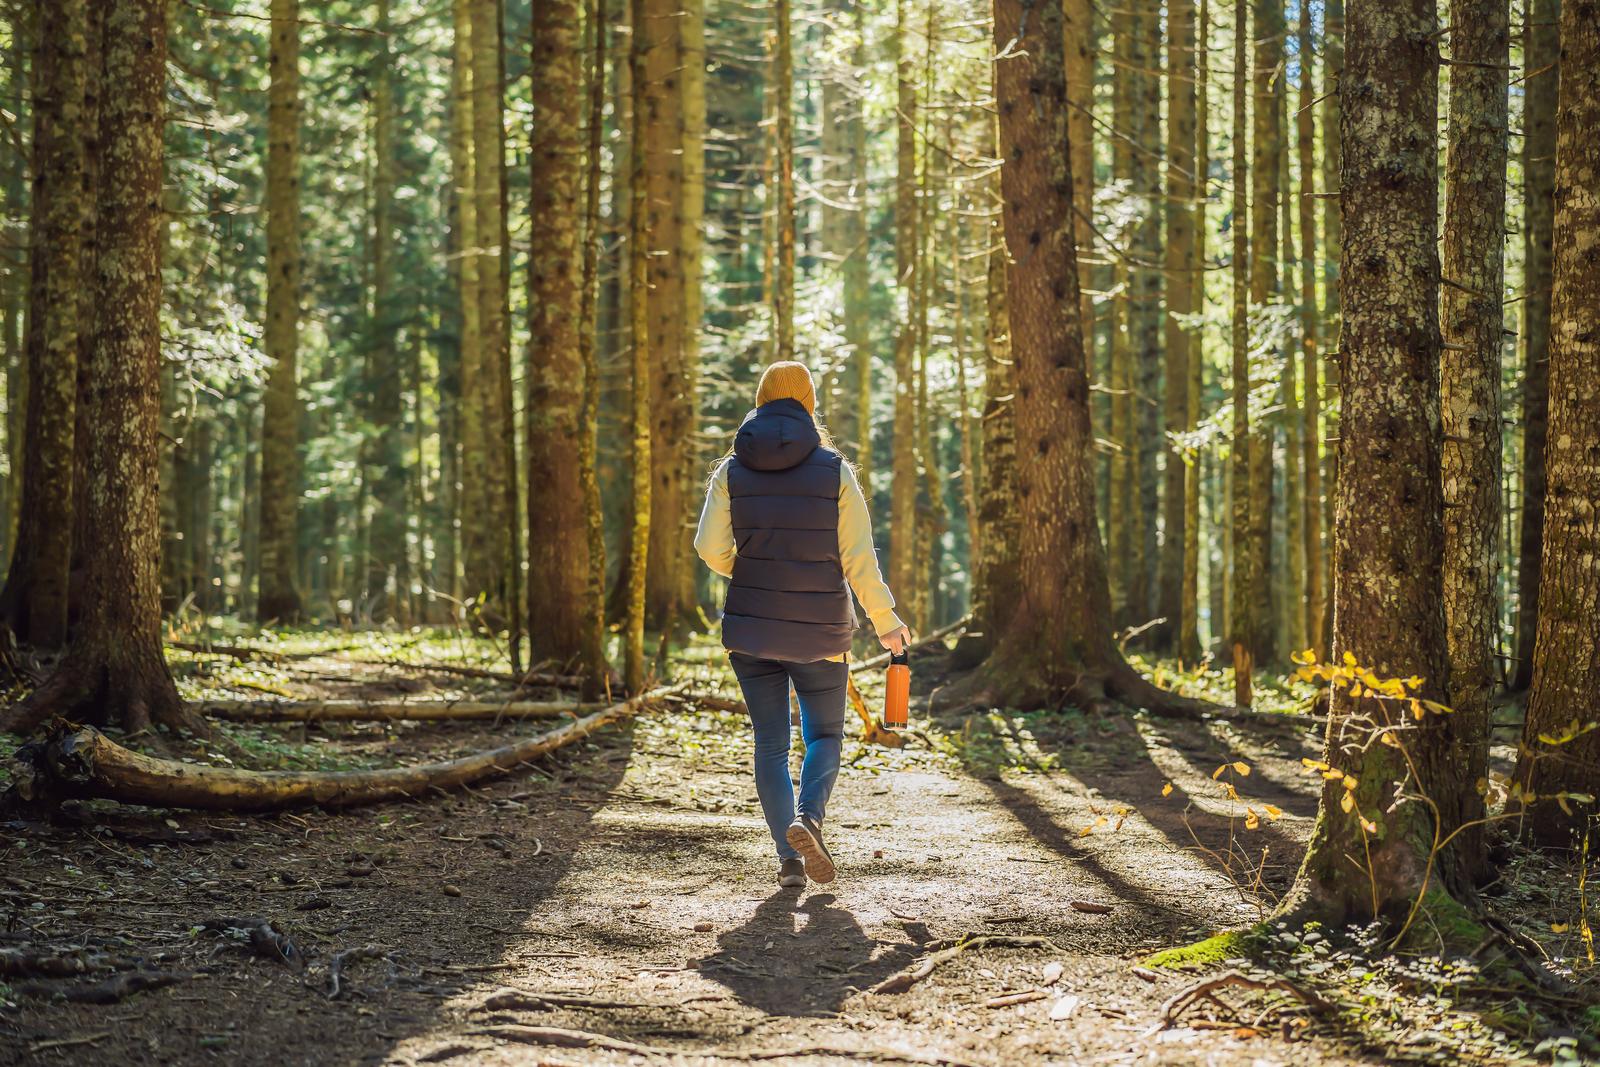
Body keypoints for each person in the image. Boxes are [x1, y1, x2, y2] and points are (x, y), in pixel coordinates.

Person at [694, 361, 909, 888]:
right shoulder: (834, 469)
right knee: (826, 734)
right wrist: (886, 621)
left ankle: (788, 862)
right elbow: (858, 559)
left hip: (751, 630)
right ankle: (807, 819)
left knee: (770, 741)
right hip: (820, 630)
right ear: (810, 406)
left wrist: (750, 570)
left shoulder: (730, 470)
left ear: (760, 402)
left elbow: (707, 547)